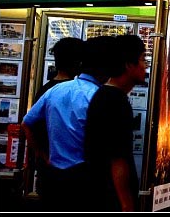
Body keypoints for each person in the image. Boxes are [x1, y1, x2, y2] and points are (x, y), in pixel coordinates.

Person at [22, 35, 112, 211]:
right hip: (84, 177)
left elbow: (27, 123)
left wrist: (43, 156)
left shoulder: (52, 90)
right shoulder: (97, 95)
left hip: (52, 175)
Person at [84, 34, 147, 211]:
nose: (145, 66)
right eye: (143, 59)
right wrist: (126, 204)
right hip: (110, 199)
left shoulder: (106, 95)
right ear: (128, 64)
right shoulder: (115, 101)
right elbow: (117, 158)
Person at [31, 36, 84, 207]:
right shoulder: (76, 91)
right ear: (78, 62)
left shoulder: (45, 90)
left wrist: (41, 155)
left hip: (48, 170)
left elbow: (30, 125)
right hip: (72, 171)